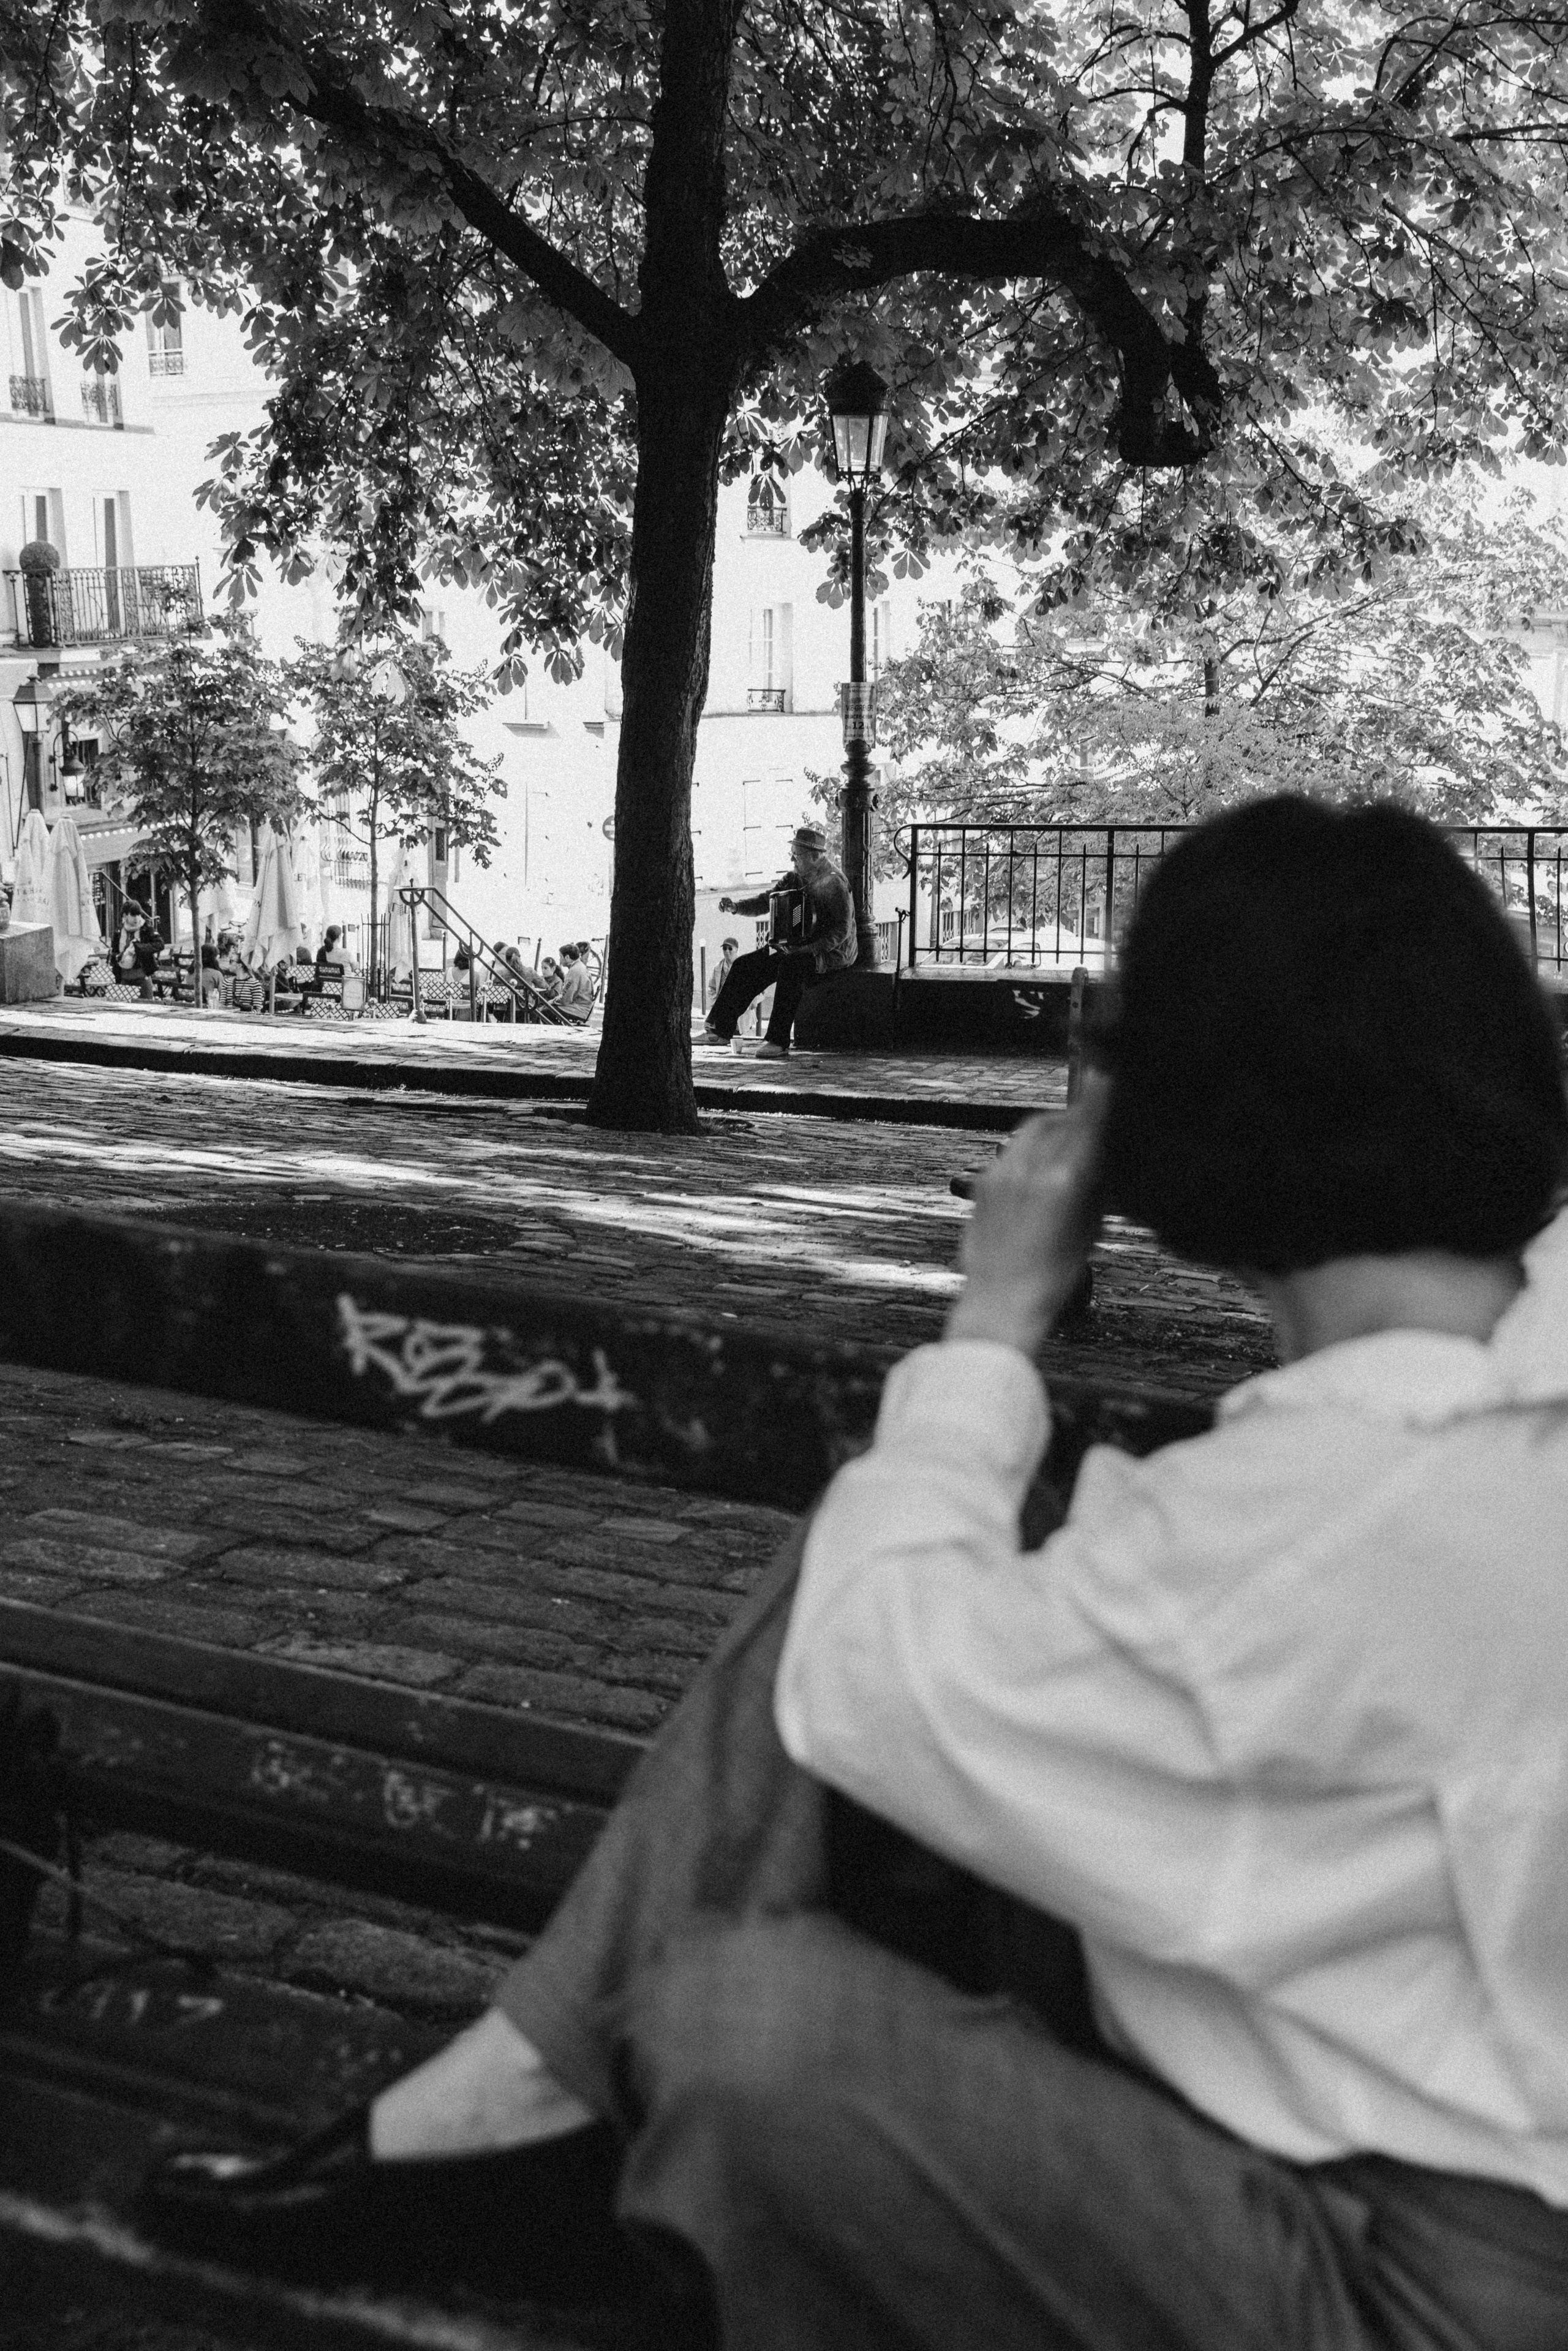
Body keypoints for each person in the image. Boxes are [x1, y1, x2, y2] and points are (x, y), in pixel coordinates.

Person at [140, 797, 1568, 2350]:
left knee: (734, 2017)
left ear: (1192, 1129)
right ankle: (520, 2090)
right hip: (1384, 2105)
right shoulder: (1504, 1386)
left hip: (1413, 2280)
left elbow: (868, 1684)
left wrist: (994, 1317)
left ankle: (523, 2090)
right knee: (895, 1549)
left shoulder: (1328, 1504)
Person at [705, 825, 855, 1059]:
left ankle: (778, 1041)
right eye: (792, 854)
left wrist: (806, 949)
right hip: (797, 945)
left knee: (790, 967)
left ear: (816, 857)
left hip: (829, 953)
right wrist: (737, 907)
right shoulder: (794, 877)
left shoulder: (834, 882)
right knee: (746, 964)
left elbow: (842, 931)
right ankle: (720, 1030)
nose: (793, 860)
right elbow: (767, 901)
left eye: (798, 855)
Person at [554, 942, 596, 1022]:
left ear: (567, 957)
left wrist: (553, 1001)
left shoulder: (574, 971)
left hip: (579, 1010)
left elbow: (565, 1000)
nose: (560, 960)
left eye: (560, 957)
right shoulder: (580, 966)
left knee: (545, 1011)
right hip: (585, 1008)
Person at [705, 935, 740, 1013]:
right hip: (723, 1010)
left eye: (730, 948)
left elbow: (753, 986)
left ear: (736, 950)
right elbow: (711, 988)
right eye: (725, 948)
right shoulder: (718, 968)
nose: (727, 951)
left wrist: (752, 1002)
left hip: (740, 1011)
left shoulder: (744, 965)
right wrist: (715, 1003)